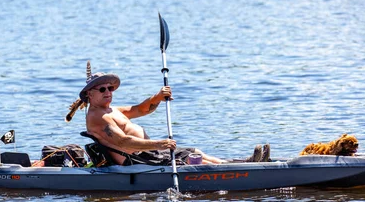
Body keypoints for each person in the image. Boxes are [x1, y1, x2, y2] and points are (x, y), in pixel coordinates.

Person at [66, 61, 239, 166]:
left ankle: (236, 164)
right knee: (187, 158)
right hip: (136, 161)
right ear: (90, 94)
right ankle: (235, 172)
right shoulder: (97, 116)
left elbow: (140, 109)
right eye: (102, 89)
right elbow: (123, 141)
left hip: (147, 154)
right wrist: (160, 144)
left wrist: (157, 97)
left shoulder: (111, 110)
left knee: (194, 152)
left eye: (110, 88)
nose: (108, 92)